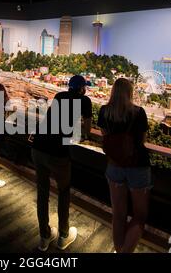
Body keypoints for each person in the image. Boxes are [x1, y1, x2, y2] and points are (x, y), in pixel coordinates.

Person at [31, 75, 92, 251]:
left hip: (38, 147)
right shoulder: (85, 101)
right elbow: (87, 130)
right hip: (57, 153)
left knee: (42, 192)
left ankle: (44, 236)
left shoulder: (59, 96)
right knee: (63, 191)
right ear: (82, 88)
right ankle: (63, 236)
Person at [97, 78, 152, 253]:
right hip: (138, 166)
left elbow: (105, 137)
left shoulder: (104, 111)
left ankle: (119, 248)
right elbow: (142, 141)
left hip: (114, 165)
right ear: (130, 93)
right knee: (139, 216)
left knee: (118, 215)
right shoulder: (138, 112)